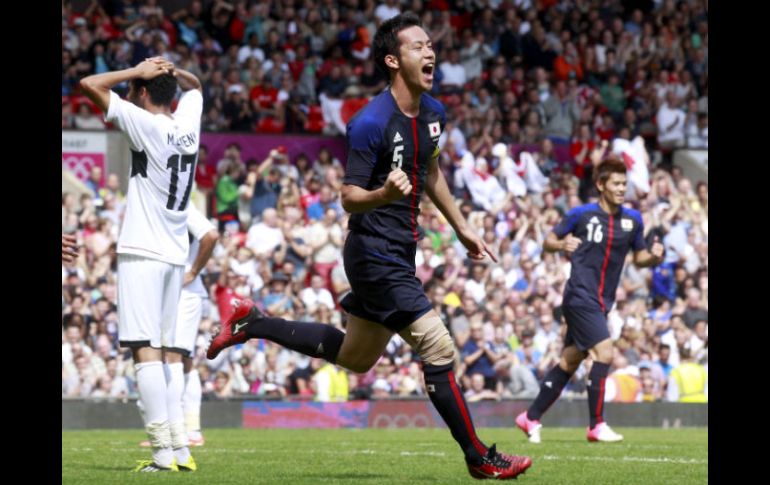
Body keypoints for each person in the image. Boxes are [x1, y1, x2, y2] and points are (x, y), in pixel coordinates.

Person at [207, 13, 531, 480]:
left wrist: (461, 227)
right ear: (393, 60)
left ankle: (254, 322)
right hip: (372, 253)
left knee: (355, 358)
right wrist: (383, 195)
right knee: (438, 348)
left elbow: (430, 173)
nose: (431, 52)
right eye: (419, 46)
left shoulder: (434, 114)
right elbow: (348, 197)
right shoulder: (370, 123)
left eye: (430, 45)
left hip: (400, 251)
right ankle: (479, 456)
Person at [80, 56, 202, 472]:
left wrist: (137, 70)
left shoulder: (142, 121)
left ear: (144, 92)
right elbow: (197, 86)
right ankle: (181, 450)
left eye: (135, 88)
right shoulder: (189, 120)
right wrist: (172, 70)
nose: (129, 92)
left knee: (144, 353)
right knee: (167, 355)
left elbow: (89, 83)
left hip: (142, 252)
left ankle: (162, 454)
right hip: (173, 255)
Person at [515, 158, 664, 444]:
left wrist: (655, 256)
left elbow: (641, 258)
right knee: (605, 353)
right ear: (600, 185)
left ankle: (530, 417)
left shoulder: (633, 220)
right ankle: (596, 425)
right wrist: (561, 245)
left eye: (625, 183)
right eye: (617, 183)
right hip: (580, 295)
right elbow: (548, 240)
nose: (623, 188)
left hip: (602, 301)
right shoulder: (581, 215)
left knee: (570, 361)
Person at [139, 205, 218, 448]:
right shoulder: (165, 205)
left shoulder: (180, 205)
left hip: (184, 292)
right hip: (176, 291)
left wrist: (193, 272)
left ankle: (175, 432)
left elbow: (211, 235)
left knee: (171, 356)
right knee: (183, 359)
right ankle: (190, 430)